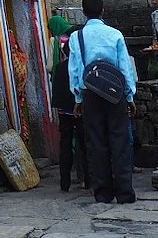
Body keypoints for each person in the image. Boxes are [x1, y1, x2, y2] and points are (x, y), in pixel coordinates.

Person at [68, 0, 138, 205]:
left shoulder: (76, 37)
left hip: (90, 93)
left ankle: (103, 193)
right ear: (103, 11)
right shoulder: (115, 34)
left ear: (83, 13)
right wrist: (130, 95)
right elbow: (123, 67)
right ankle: (125, 192)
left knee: (96, 142)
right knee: (120, 141)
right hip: (115, 94)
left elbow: (76, 69)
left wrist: (78, 98)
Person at [52, 23, 89, 191]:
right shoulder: (81, 67)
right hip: (78, 107)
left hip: (63, 109)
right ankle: (88, 179)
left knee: (65, 143)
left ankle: (64, 181)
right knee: (84, 143)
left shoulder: (59, 68)